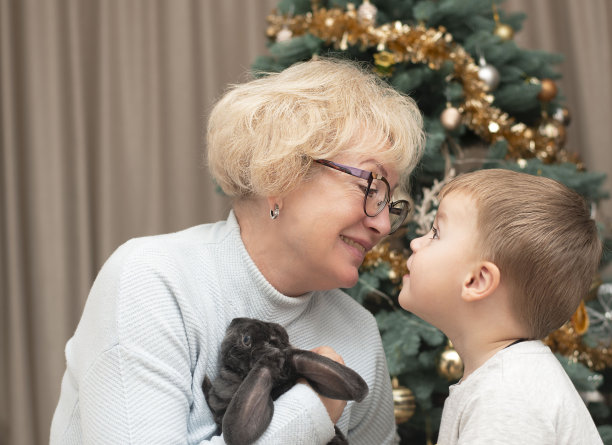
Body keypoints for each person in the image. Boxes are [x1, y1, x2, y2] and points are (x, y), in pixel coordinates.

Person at [50, 57, 425, 444]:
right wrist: (312, 409)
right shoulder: (149, 281)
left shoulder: (357, 331)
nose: (382, 225)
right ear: (281, 173)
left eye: (390, 203)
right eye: (371, 188)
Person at [399, 168, 603, 444]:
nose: (414, 243)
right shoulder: (510, 380)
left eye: (435, 233)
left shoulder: (507, 396)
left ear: (477, 280)